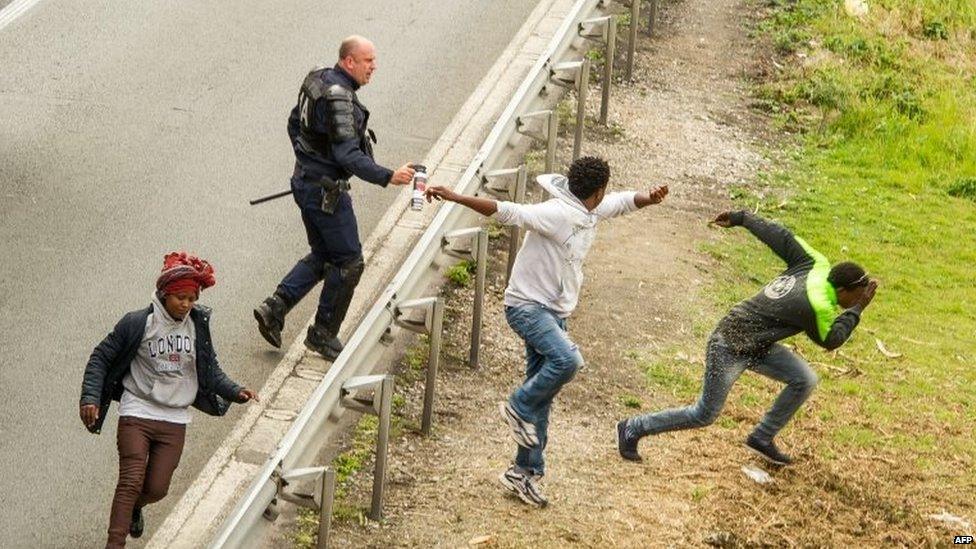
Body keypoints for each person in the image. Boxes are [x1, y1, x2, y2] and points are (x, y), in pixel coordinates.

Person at [426, 156, 669, 507]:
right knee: (568, 361)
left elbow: (623, 203)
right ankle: (517, 405)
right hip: (526, 308)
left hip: (555, 314)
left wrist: (649, 196)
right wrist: (456, 197)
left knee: (544, 396)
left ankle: (524, 473)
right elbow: (509, 211)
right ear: (597, 191)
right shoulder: (556, 213)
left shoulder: (591, 210)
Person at [618, 210, 878, 466]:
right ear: (843, 290)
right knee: (704, 414)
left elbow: (781, 236)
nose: (858, 299)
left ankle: (761, 437)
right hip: (729, 343)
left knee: (804, 379)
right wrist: (857, 310)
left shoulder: (816, 263)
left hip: (757, 342)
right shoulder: (816, 305)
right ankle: (633, 427)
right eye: (856, 295)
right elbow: (831, 340)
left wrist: (743, 218)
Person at [79, 252, 259, 548]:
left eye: (191, 298)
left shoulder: (197, 326)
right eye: (180, 297)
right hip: (138, 410)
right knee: (130, 480)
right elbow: (101, 357)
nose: (186, 304)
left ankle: (136, 507)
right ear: (164, 294)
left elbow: (209, 369)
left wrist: (236, 391)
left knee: (157, 488)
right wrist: (90, 397)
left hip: (174, 418)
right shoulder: (139, 323)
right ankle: (115, 543)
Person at [253, 35, 416, 360]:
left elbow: (293, 123)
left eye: (374, 60)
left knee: (327, 253)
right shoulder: (340, 97)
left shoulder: (317, 80)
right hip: (325, 192)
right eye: (368, 61)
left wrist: (307, 161)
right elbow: (347, 155)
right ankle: (322, 334)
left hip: (305, 182)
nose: (374, 67)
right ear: (349, 61)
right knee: (349, 261)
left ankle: (275, 307)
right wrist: (388, 176)